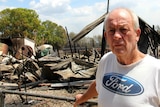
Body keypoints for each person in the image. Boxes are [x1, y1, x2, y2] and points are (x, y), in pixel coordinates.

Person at [74, 7, 160, 107]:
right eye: (111, 30)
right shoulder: (106, 61)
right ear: (106, 36)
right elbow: (99, 84)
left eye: (123, 29)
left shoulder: (156, 70)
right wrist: (82, 98)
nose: (116, 36)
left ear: (137, 34)